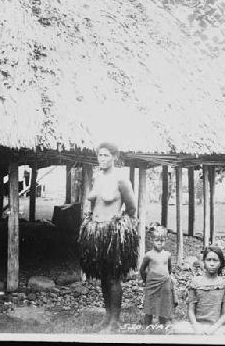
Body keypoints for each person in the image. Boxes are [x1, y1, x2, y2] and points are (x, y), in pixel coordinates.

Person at [77, 142, 139, 333]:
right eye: (99, 155)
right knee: (103, 277)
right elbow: (94, 202)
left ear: (114, 156)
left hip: (112, 234)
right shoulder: (98, 177)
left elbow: (132, 208)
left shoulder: (121, 179)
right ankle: (107, 316)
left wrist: (120, 225)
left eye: (105, 155)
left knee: (113, 277)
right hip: (96, 233)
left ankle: (115, 322)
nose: (101, 159)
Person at [171, 245, 225, 335]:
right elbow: (190, 311)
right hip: (197, 325)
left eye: (215, 260)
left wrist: (213, 329)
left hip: (217, 326)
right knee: (176, 329)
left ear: (221, 263)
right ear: (203, 262)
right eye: (209, 260)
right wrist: (196, 326)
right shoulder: (195, 282)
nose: (212, 264)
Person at [139, 226, 177, 328]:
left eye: (162, 240)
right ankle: (147, 327)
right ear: (152, 240)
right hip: (151, 283)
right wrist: (145, 280)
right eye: (157, 240)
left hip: (164, 283)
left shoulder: (167, 254)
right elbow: (142, 269)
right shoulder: (149, 255)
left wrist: (168, 278)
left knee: (164, 305)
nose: (160, 243)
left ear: (165, 241)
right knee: (149, 306)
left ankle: (163, 325)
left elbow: (169, 269)